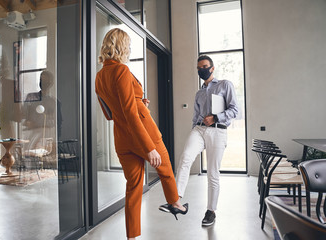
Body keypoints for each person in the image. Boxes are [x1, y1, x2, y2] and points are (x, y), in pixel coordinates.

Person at [95, 28, 188, 240]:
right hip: (143, 134)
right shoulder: (122, 71)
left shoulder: (99, 77)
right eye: (128, 45)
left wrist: (140, 103)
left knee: (133, 188)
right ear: (121, 46)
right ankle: (175, 204)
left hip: (122, 139)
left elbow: (110, 113)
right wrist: (149, 147)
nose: (129, 48)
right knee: (165, 169)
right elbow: (129, 113)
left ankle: (132, 236)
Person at [160, 55, 238, 227]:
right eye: (198, 68)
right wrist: (195, 128)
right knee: (185, 158)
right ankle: (176, 202)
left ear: (212, 68)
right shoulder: (199, 93)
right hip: (199, 129)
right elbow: (195, 116)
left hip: (218, 131)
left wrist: (217, 117)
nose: (201, 70)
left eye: (204, 66)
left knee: (213, 173)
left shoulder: (225, 85)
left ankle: (211, 211)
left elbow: (235, 110)